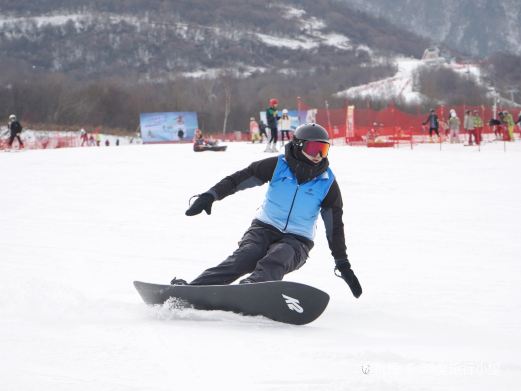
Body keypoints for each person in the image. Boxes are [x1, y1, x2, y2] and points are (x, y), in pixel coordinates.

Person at [171, 123, 362, 299]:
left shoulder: (327, 182)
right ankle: (193, 289)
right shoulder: (278, 166)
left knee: (279, 256)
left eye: (324, 149)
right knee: (246, 256)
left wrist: (342, 261)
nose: (319, 155)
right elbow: (239, 179)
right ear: (298, 145)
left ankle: (252, 289)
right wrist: (211, 195)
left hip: (298, 241)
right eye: (314, 148)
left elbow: (335, 226)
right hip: (263, 228)